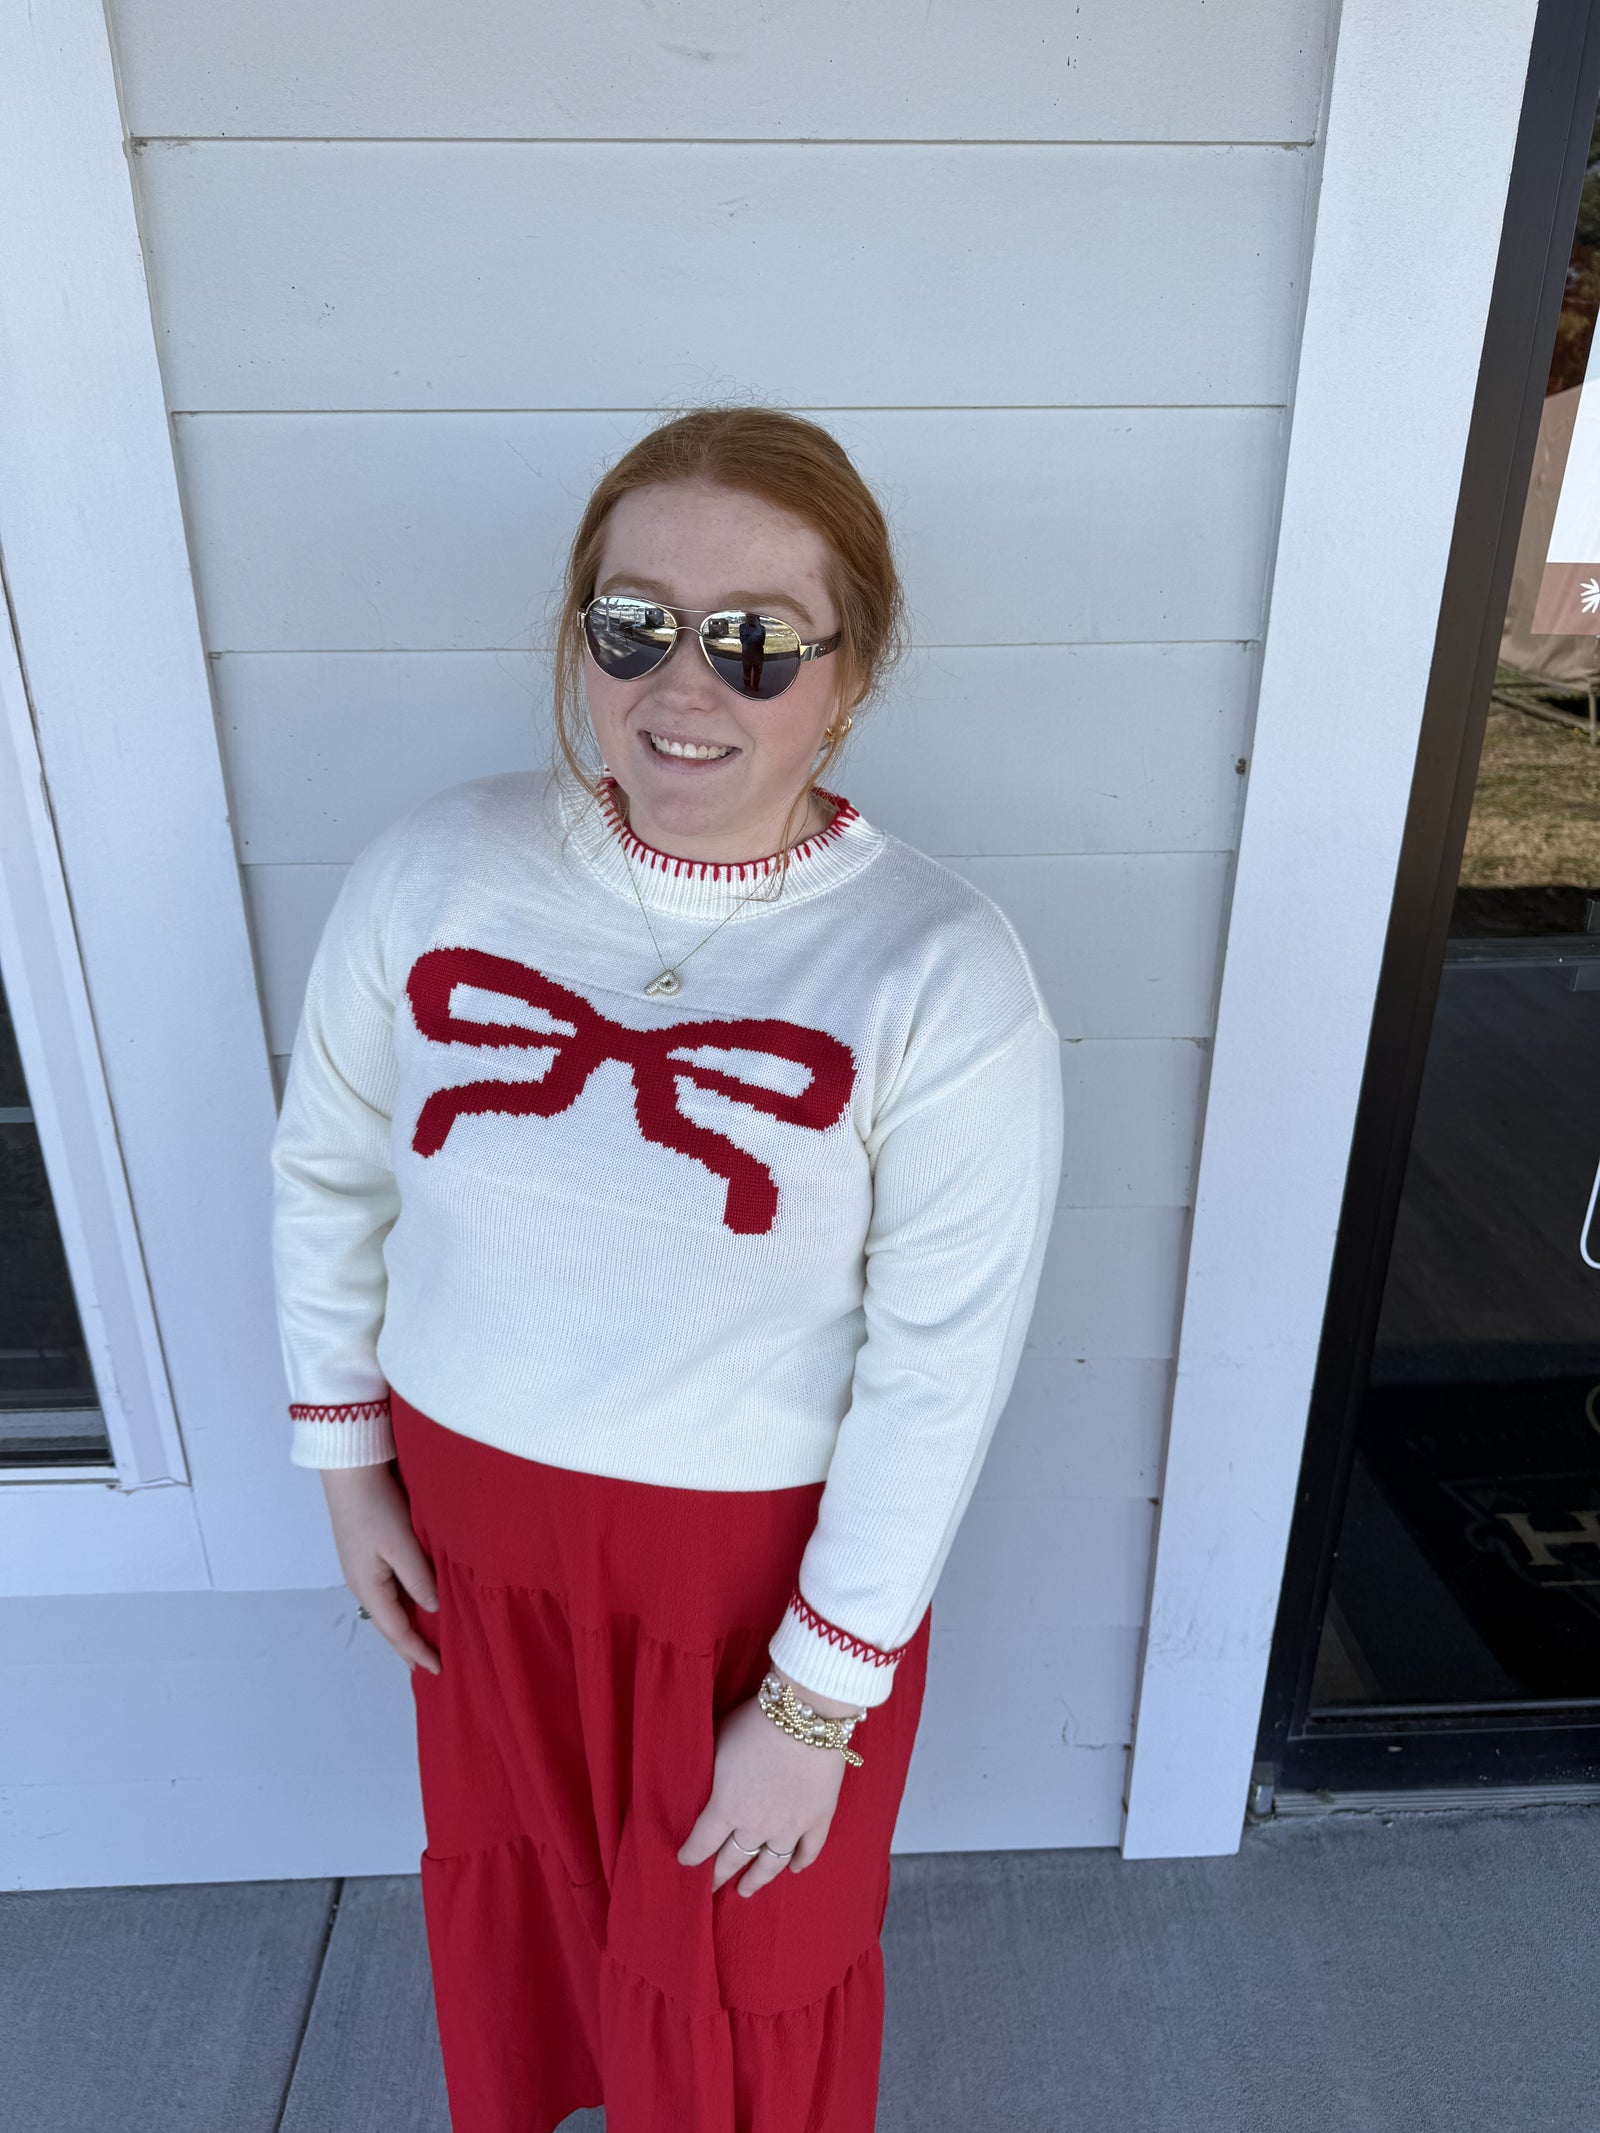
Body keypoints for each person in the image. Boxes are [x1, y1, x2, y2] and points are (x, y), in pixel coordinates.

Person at [269, 405, 1064, 2133]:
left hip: (744, 1602)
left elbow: (938, 1365)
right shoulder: (433, 871)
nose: (683, 686)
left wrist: (817, 1701)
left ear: (848, 676)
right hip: (482, 1549)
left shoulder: (940, 971)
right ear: (582, 636)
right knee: (543, 1936)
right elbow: (328, 1171)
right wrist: (349, 1471)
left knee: (738, 1987)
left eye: (757, 641)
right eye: (634, 626)